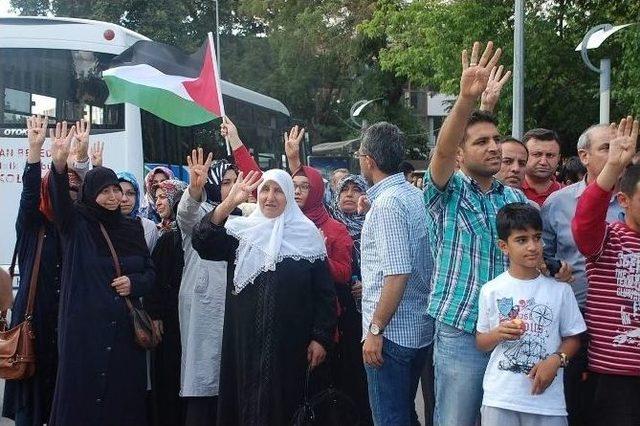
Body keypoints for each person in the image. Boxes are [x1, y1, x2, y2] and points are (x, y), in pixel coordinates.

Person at [424, 41, 572, 425]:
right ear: (460, 153)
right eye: (482, 143)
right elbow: (443, 152)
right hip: (461, 330)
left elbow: (527, 255)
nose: (494, 148)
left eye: (496, 140)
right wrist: (466, 100)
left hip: (514, 334)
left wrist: (549, 267)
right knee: (456, 420)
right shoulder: (449, 190)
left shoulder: (514, 199)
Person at [192, 169, 337, 425]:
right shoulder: (242, 233)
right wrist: (229, 203)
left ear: (289, 196)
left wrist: (320, 338)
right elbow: (202, 241)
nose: (270, 197)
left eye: (279, 190)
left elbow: (324, 294)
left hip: (290, 347)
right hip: (245, 346)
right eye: (266, 190)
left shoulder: (307, 236)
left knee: (285, 408)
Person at [46, 121, 155, 426]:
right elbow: (58, 201)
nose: (112, 197)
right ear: (91, 193)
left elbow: (150, 273)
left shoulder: (132, 228)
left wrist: (134, 283)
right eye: (104, 191)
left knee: (121, 405)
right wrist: (58, 164)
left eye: (116, 191)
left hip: (124, 336)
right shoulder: (77, 226)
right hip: (84, 335)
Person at [541, 123, 625, 425]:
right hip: (572, 319)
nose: (617, 155)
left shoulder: (633, 200)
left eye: (621, 147)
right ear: (583, 155)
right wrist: (553, 268)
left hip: (622, 325)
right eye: (607, 148)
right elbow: (541, 256)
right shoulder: (557, 204)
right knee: (572, 400)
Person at [477, 203, 586, 426]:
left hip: (548, 401)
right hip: (501, 398)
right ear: (503, 246)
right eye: (521, 240)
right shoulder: (491, 290)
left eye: (537, 237)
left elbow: (574, 338)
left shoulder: (560, 289)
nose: (532, 246)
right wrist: (498, 334)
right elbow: (481, 342)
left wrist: (556, 360)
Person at [356, 121, 433, 425]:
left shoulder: (388, 205)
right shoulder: (414, 195)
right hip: (416, 329)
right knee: (404, 415)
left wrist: (375, 330)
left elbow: (397, 273)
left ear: (368, 161)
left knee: (390, 419)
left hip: (392, 336)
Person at [572, 116, 640, 426]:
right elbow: (585, 219)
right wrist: (612, 167)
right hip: (613, 379)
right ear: (623, 200)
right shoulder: (607, 238)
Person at [3, 116, 68, 426]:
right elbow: (29, 197)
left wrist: (69, 161)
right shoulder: (32, 226)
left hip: (63, 326)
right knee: (30, 410)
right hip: (34, 326)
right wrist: (34, 151)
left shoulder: (70, 230)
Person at [177, 149, 236, 426]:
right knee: (204, 383)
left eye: (236, 180)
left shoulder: (251, 218)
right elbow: (187, 213)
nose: (232, 187)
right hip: (205, 310)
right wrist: (194, 189)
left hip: (236, 310)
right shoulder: (201, 212)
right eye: (225, 181)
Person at [329, 174, 373, 425]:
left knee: (363, 377)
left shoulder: (375, 224)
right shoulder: (331, 225)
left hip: (368, 315)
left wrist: (369, 286)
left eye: (356, 190)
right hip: (338, 311)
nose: (348, 194)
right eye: (344, 189)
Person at [146, 179, 187, 426]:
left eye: (164, 197)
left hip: (182, 319)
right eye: (157, 197)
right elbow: (155, 281)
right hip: (167, 323)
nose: (159, 202)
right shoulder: (163, 234)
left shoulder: (180, 235)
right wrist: (155, 314)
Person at [117, 171, 159, 252]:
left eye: (130, 193)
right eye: (120, 193)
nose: (124, 199)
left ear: (137, 196)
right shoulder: (105, 226)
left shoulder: (148, 227)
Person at [522, 128, 563, 205]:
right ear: (523, 155)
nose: (543, 162)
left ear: (558, 158)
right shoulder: (507, 193)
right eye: (537, 154)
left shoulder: (570, 196)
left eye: (550, 155)